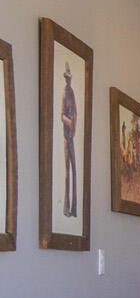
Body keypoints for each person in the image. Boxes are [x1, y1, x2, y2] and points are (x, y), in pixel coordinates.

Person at [60, 65, 77, 219]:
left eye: (70, 77)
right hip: (67, 137)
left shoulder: (72, 93)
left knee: (74, 171)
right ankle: (66, 208)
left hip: (71, 135)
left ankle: (74, 208)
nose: (68, 79)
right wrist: (69, 123)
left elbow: (76, 113)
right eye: (67, 77)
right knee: (67, 173)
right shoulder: (65, 93)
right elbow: (62, 116)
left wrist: (74, 128)